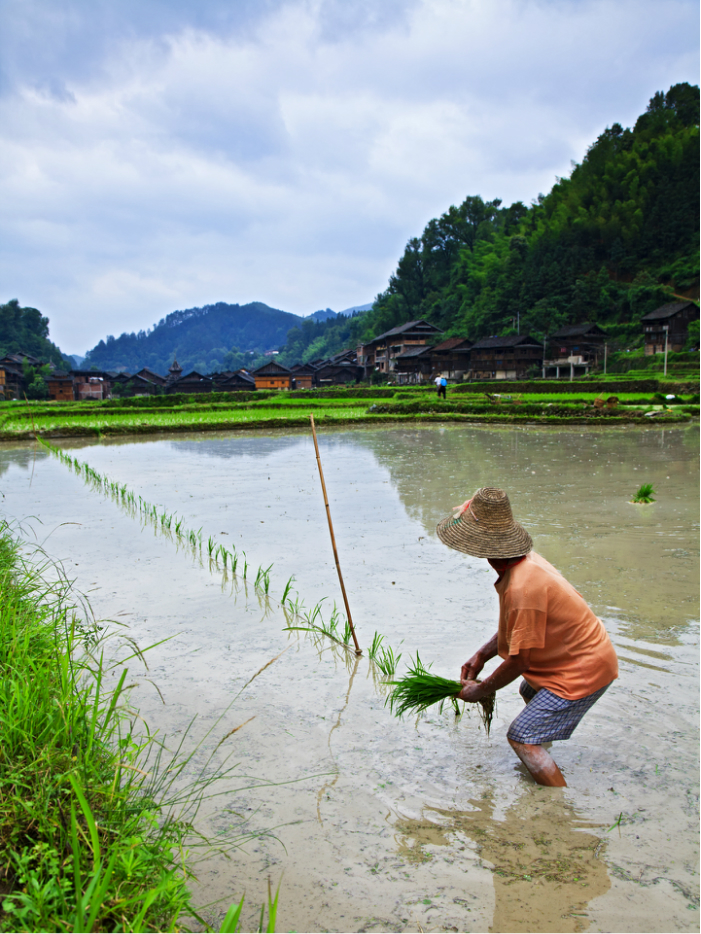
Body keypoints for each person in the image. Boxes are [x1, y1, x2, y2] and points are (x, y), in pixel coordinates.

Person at [436, 487, 618, 787]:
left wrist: (481, 689)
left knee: (521, 737)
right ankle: (542, 753)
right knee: (529, 691)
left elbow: (520, 661)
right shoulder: (524, 563)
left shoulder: (523, 587)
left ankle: (554, 802)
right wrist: (481, 655)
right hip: (579, 656)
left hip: (585, 668)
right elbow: (520, 626)